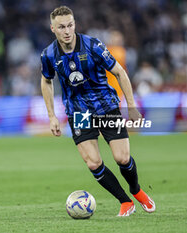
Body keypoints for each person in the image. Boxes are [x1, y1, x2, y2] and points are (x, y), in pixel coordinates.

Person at [40, 6, 155, 217]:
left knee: (122, 158)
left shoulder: (92, 45)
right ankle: (125, 202)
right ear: (53, 28)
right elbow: (46, 81)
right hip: (79, 112)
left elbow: (119, 72)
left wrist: (131, 107)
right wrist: (51, 116)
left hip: (106, 107)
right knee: (93, 162)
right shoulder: (48, 54)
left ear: (75, 24)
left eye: (70, 25)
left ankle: (136, 190)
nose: (67, 31)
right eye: (62, 27)